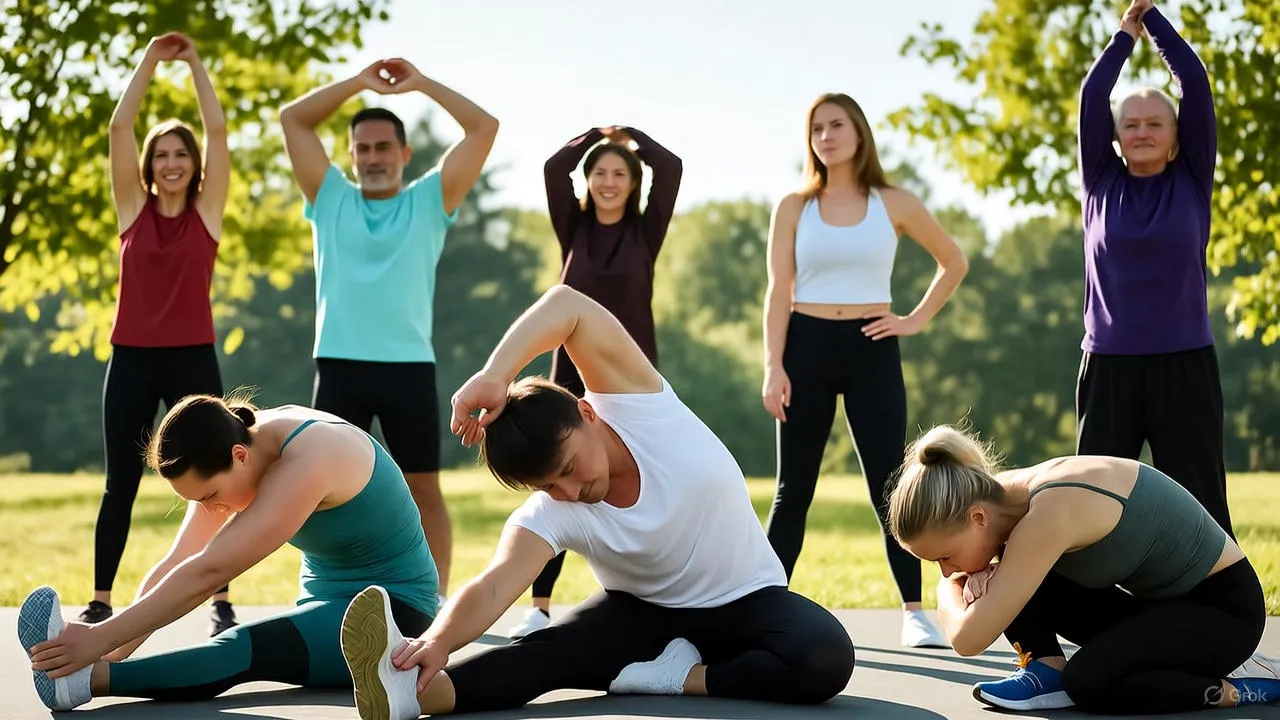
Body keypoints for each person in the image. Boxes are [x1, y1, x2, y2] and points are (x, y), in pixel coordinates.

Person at [335, 285, 856, 719]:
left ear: (586, 412)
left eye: (566, 469)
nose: (568, 493)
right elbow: (494, 585)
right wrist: (437, 641)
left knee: (826, 657)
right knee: (544, 657)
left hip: (746, 600)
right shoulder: (554, 511)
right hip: (641, 619)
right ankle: (407, 693)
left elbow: (567, 305)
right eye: (547, 488)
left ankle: (679, 678)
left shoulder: (640, 405)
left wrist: (497, 374)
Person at [17, 395, 439, 712]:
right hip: (325, 610)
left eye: (211, 496)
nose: (211, 510)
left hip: (392, 617)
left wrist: (96, 642)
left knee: (239, 646)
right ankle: (97, 665)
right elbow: (181, 559)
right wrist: (115, 642)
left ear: (240, 457)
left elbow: (211, 570)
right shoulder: (234, 444)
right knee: (242, 643)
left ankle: (84, 682)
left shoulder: (313, 456)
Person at [280, 57, 499, 605]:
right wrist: (357, 82)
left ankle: (435, 604)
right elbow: (294, 120)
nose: (373, 158)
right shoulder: (329, 198)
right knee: (318, 491)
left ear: (404, 155)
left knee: (424, 488)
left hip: (408, 368)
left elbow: (484, 128)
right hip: (339, 367)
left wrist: (422, 83)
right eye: (363, 148)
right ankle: (325, 599)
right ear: (351, 156)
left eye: (384, 148)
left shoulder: (429, 202)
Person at [761, 92, 969, 648]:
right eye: (817, 129)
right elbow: (779, 289)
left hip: (872, 344)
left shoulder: (893, 202)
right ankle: (762, 609)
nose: (826, 136)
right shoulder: (793, 206)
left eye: (837, 125)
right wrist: (773, 366)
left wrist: (915, 319)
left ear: (858, 133)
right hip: (804, 346)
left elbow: (953, 260)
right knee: (793, 489)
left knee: (891, 484)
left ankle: (913, 610)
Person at [886, 424, 1280, 714]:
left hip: (1224, 615)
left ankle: (1237, 686)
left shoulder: (1050, 509)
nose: (945, 571)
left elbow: (967, 639)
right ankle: (1046, 669)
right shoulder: (997, 498)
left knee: (1091, 683)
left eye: (944, 557)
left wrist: (951, 589)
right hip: (1158, 608)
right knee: (1013, 571)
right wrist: (981, 573)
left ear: (977, 517)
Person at [507, 124, 682, 639]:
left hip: (632, 382)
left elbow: (669, 168)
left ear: (633, 184)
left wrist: (632, 137)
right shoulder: (575, 230)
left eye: (620, 174)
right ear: (589, 182)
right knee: (556, 479)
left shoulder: (646, 233)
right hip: (570, 377)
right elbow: (551, 170)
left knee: (637, 484)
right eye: (600, 173)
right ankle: (538, 605)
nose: (609, 181)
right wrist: (589, 139)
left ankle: (652, 600)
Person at [89, 31, 236, 637]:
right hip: (132, 360)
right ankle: (100, 600)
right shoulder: (132, 211)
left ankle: (220, 597)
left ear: (193, 164)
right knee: (120, 483)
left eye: (181, 154)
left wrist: (196, 63)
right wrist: (149, 60)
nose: (170, 163)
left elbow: (220, 133)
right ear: (149, 167)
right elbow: (119, 130)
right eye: (161, 156)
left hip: (193, 362)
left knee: (218, 478)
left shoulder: (206, 213)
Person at [1075, 0, 1235, 539]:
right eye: (1132, 124)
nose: (1143, 131)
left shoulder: (1191, 178)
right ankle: (1091, 613)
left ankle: (1217, 608)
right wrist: (1123, 37)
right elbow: (1093, 95)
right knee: (1091, 501)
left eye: (1155, 123)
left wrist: (1153, 21)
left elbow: (1194, 78)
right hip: (1109, 368)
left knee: (1200, 497)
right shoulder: (1100, 180)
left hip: (1184, 364)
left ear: (1176, 134)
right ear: (1115, 135)